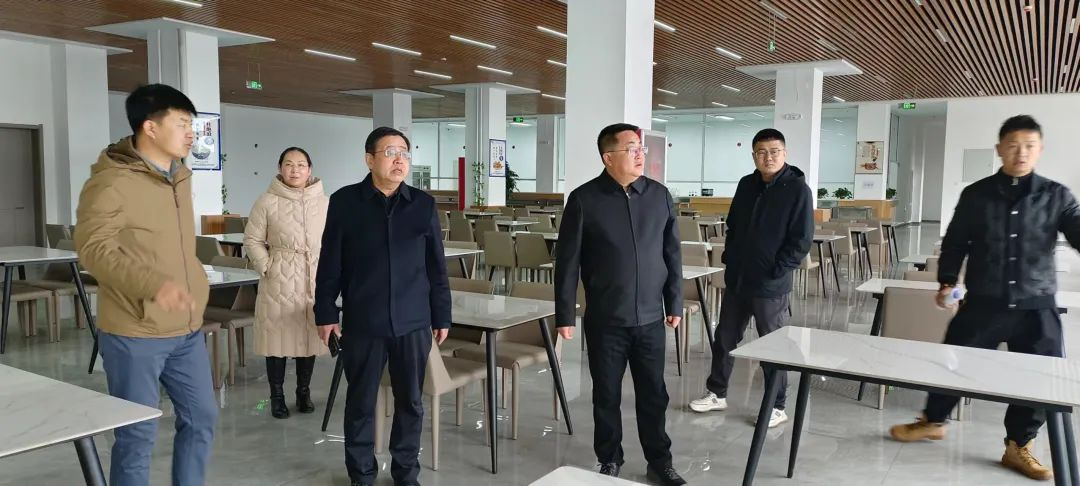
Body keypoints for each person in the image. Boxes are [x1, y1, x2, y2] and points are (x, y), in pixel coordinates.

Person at [890, 115, 1080, 481]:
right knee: (953, 362)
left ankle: (1018, 446)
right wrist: (947, 280)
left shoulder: (1057, 195)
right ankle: (933, 421)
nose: (1021, 153)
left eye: (1029, 146)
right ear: (999, 149)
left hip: (1037, 305)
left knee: (1038, 379)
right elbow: (956, 241)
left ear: (1039, 150)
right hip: (984, 302)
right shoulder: (976, 194)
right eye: (1013, 145)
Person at [74, 83, 216, 486]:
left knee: (202, 417)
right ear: (150, 127)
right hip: (135, 331)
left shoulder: (179, 176)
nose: (191, 133)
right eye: (182, 123)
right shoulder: (111, 182)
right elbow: (93, 250)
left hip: (185, 328)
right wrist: (153, 285)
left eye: (192, 124)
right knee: (137, 434)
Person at [314, 127, 451, 486]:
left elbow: (436, 266)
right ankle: (361, 474)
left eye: (404, 153)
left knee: (411, 403)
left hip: (413, 323)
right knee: (360, 402)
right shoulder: (345, 202)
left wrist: (442, 314)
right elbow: (330, 263)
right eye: (390, 152)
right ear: (369, 159)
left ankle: (406, 473)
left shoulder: (422, 204)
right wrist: (325, 312)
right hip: (364, 321)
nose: (399, 160)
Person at [555, 123, 686, 486]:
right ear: (608, 157)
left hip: (650, 318)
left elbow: (672, 255)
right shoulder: (584, 199)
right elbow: (567, 263)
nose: (640, 154)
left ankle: (660, 461)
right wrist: (565, 314)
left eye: (641, 148)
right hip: (605, 319)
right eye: (631, 149)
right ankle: (609, 458)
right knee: (606, 394)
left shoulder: (659, 196)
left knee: (654, 394)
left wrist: (674, 302)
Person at [689, 128, 813, 429]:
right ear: (753, 155)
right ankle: (717, 392)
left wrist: (777, 269)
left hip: (770, 284)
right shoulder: (746, 184)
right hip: (739, 279)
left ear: (784, 153)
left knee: (772, 345)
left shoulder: (798, 190)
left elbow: (801, 239)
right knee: (724, 338)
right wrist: (730, 258)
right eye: (761, 152)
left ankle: (777, 405)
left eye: (774, 151)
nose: (768, 157)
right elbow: (733, 225)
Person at [243, 146, 329, 419]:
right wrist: (267, 266)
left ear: (310, 170)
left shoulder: (325, 202)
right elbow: (252, 239)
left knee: (308, 338)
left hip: (314, 277)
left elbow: (335, 241)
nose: (295, 170)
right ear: (280, 168)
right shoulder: (266, 201)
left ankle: (303, 392)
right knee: (276, 341)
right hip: (279, 279)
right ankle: (276, 396)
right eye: (289, 164)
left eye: (301, 164)